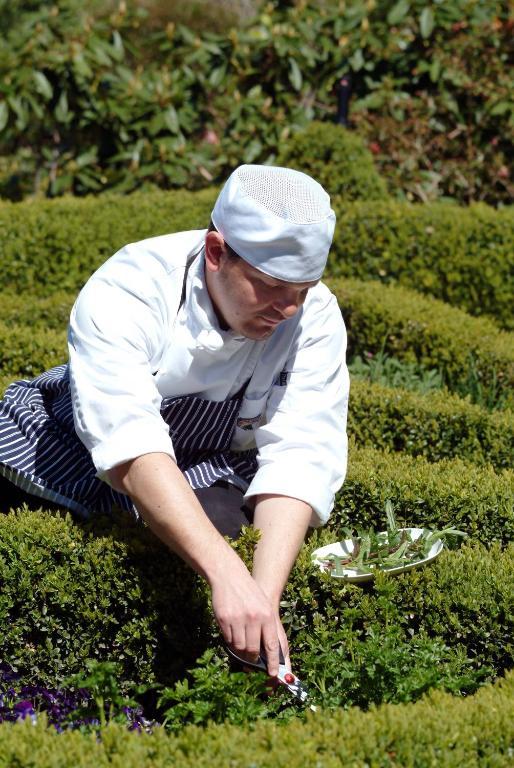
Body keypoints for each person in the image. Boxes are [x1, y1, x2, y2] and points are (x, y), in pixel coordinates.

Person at [0, 164, 349, 679]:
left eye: (303, 289)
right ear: (215, 252)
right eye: (271, 287)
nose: (289, 309)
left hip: (201, 467)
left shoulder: (312, 315)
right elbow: (130, 441)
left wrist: (261, 598)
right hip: (69, 450)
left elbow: (301, 451)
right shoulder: (130, 288)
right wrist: (225, 572)